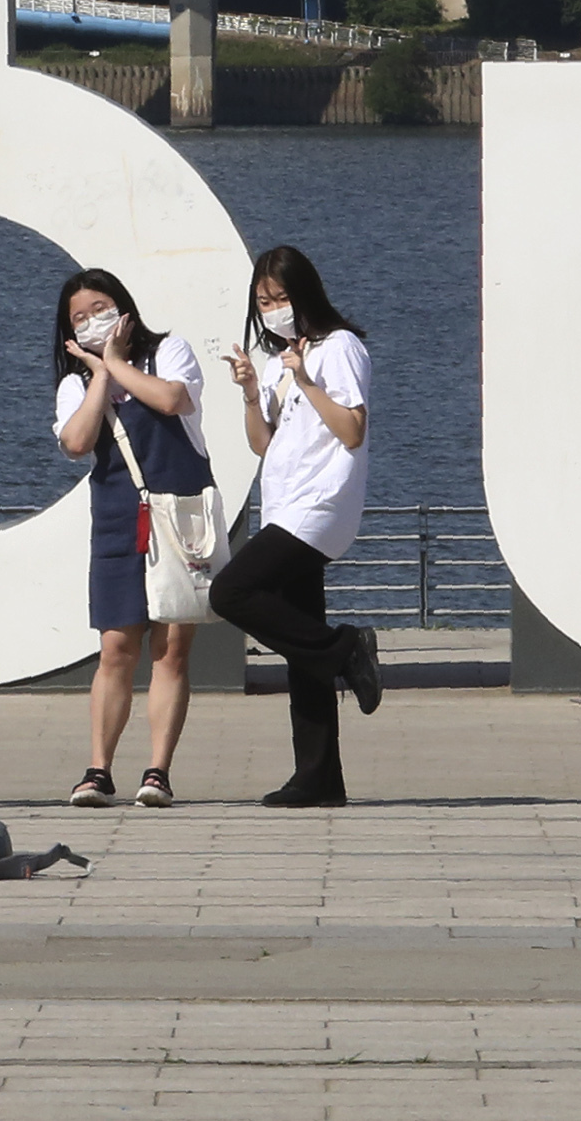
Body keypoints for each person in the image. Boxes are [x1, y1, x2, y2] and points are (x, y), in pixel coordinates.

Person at [208, 244, 380, 808]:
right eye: (264, 301)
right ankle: (319, 777)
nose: (274, 308)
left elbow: (351, 430)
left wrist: (306, 380)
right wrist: (253, 393)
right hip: (284, 506)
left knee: (230, 590)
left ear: (305, 294)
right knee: (299, 645)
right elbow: (264, 444)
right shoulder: (284, 359)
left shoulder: (339, 349)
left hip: (320, 505)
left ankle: (344, 646)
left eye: (281, 297)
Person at [53, 266, 212, 809]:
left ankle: (158, 771)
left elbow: (172, 401)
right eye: (79, 317)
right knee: (116, 647)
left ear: (123, 308)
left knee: (171, 650)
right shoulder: (75, 385)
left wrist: (119, 362)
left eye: (100, 308)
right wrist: (100, 374)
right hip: (120, 520)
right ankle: (98, 770)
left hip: (180, 514)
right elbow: (76, 441)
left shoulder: (168, 351)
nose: (93, 319)